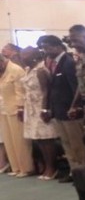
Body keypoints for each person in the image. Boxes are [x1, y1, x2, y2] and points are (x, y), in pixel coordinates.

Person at [38, 35, 85, 182]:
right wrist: (50, 109)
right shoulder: (52, 63)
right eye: (44, 48)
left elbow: (76, 88)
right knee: (66, 144)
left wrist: (76, 107)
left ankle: (83, 172)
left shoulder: (68, 62)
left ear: (58, 46)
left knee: (78, 145)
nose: (46, 51)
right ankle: (74, 171)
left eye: (48, 47)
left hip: (70, 111)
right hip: (59, 111)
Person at [20, 46, 59, 179]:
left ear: (34, 56)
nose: (23, 58)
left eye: (26, 55)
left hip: (41, 107)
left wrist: (45, 109)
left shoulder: (41, 70)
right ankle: (45, 167)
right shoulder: (27, 70)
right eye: (22, 55)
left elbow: (46, 90)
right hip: (31, 107)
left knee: (47, 139)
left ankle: (52, 168)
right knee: (38, 139)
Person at [0, 52, 34, 177]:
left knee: (19, 140)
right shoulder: (2, 71)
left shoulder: (15, 69)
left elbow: (21, 91)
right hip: (3, 109)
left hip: (16, 109)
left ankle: (26, 168)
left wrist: (20, 108)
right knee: (8, 140)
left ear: (2, 61)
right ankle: (16, 167)